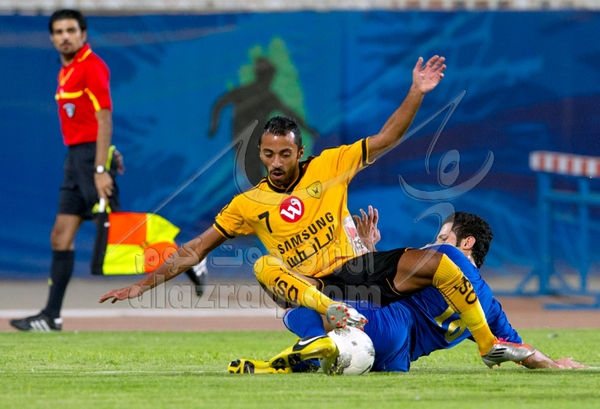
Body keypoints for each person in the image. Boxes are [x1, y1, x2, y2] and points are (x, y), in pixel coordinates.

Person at [100, 56, 530, 366]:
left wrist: (417, 91)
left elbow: (386, 138)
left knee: (442, 260)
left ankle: (487, 344)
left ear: (299, 151)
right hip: (313, 286)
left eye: (285, 154)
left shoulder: (330, 165)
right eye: (268, 154)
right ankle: (330, 313)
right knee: (264, 266)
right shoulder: (246, 204)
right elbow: (195, 248)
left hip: (357, 271)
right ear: (260, 153)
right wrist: (141, 285)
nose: (276, 162)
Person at [229, 210, 586, 373]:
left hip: (386, 321)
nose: (434, 243)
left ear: (466, 243)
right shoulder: (490, 307)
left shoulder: (444, 258)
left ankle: (311, 341)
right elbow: (520, 350)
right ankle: (305, 359)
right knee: (340, 357)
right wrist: (555, 364)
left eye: (442, 237)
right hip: (398, 359)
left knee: (298, 306)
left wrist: (364, 251)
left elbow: (380, 280)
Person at [9, 10, 122, 332]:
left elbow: (104, 119)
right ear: (52, 37)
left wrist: (100, 167)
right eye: (58, 32)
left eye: (71, 30)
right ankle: (51, 316)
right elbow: (86, 118)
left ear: (83, 34)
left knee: (117, 233)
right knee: (60, 236)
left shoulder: (91, 66)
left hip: (89, 160)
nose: (65, 36)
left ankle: (188, 258)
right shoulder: (66, 70)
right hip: (75, 159)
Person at [209, 57, 318, 185]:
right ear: (265, 76)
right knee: (253, 173)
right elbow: (220, 103)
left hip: (254, 139)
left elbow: (290, 114)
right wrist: (214, 126)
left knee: (260, 171)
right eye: (270, 76)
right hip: (243, 139)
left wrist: (307, 128)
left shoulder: (268, 97)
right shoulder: (247, 92)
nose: (271, 79)